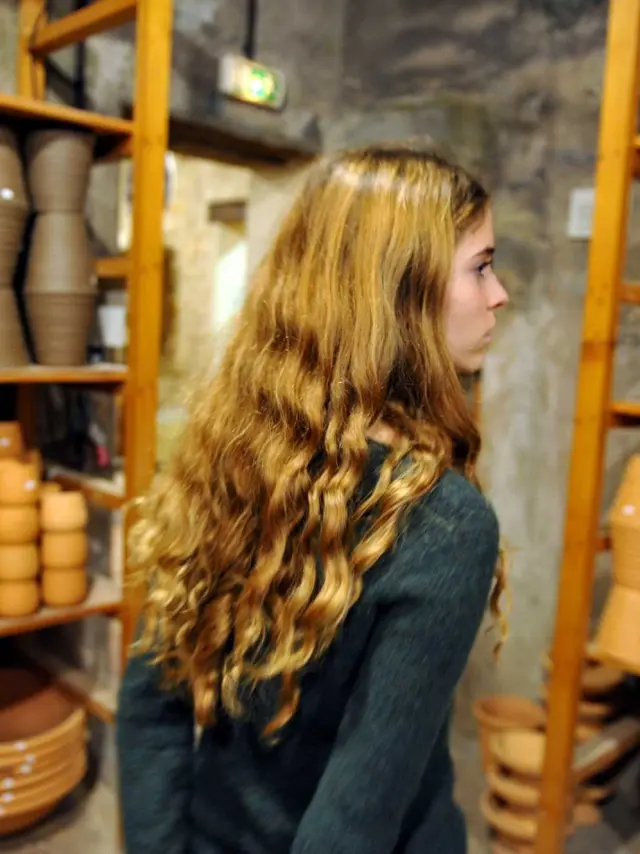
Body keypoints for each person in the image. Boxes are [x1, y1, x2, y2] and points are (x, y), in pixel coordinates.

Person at [116, 145, 509, 854]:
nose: (500, 293)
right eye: (481, 266)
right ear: (400, 293)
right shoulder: (445, 524)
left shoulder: (232, 450)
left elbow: (150, 711)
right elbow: (351, 825)